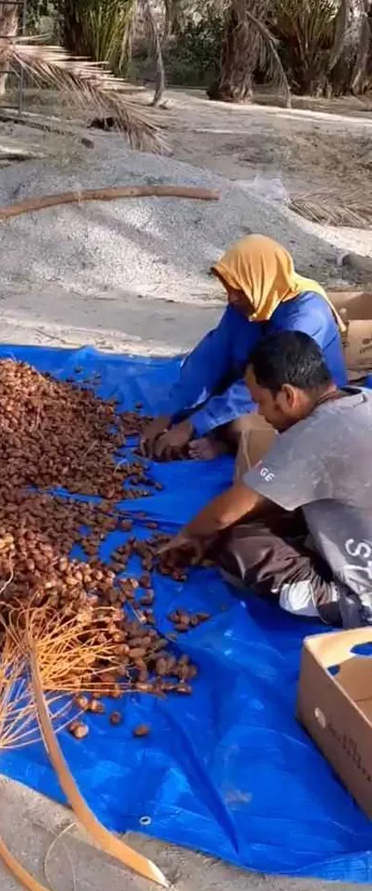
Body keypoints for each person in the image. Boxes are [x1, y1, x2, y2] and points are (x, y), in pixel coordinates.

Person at [161, 331, 372, 628]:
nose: (260, 414)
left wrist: (188, 537)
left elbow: (224, 515)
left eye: (260, 402)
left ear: (287, 395)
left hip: (365, 596)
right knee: (279, 508)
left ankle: (335, 601)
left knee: (238, 543)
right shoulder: (362, 399)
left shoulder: (310, 436)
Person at [140, 234, 347, 461]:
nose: (231, 297)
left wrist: (193, 425)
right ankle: (219, 430)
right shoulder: (250, 301)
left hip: (289, 397)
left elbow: (270, 381)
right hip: (256, 384)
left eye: (237, 290)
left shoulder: (306, 316)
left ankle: (225, 443)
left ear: (261, 279)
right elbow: (210, 358)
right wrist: (167, 414)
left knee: (245, 427)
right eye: (228, 288)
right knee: (199, 403)